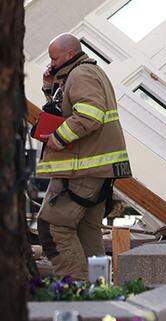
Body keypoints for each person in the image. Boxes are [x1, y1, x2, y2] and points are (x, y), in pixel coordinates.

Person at [36, 33, 131, 280]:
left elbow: (89, 115)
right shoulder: (85, 73)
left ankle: (74, 289)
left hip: (83, 169)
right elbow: (62, 108)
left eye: (54, 59)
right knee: (86, 232)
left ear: (69, 54)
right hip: (97, 168)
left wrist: (58, 138)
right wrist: (50, 84)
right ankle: (97, 291)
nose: (52, 63)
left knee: (52, 227)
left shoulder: (81, 75)